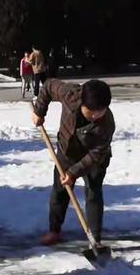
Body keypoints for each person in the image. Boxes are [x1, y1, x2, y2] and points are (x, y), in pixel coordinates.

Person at [31, 79, 115, 246]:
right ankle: (54, 231)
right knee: (59, 191)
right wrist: (40, 111)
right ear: (82, 102)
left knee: (93, 192)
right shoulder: (69, 94)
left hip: (93, 160)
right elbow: (48, 86)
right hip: (66, 151)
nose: (96, 116)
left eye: (101, 111)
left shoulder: (107, 124)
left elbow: (96, 154)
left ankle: (95, 239)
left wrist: (73, 173)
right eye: (91, 112)